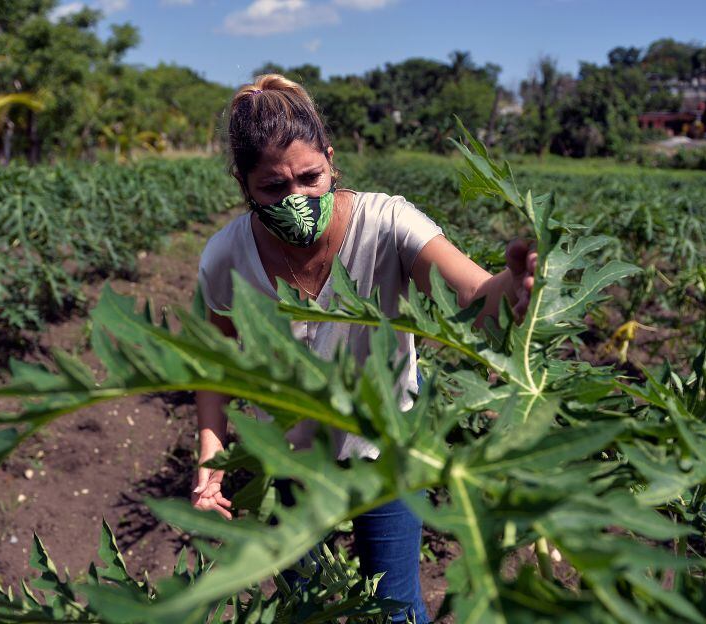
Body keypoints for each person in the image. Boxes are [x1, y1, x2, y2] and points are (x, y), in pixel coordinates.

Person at [191, 74, 537, 623]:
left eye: (310, 177)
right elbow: (215, 366)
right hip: (291, 462)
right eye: (272, 189)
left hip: (389, 454)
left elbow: (472, 292)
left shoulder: (387, 222)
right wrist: (211, 460)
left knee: (397, 609)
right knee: (300, 609)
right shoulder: (226, 256)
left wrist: (512, 290)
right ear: (243, 185)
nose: (296, 199)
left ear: (331, 162)